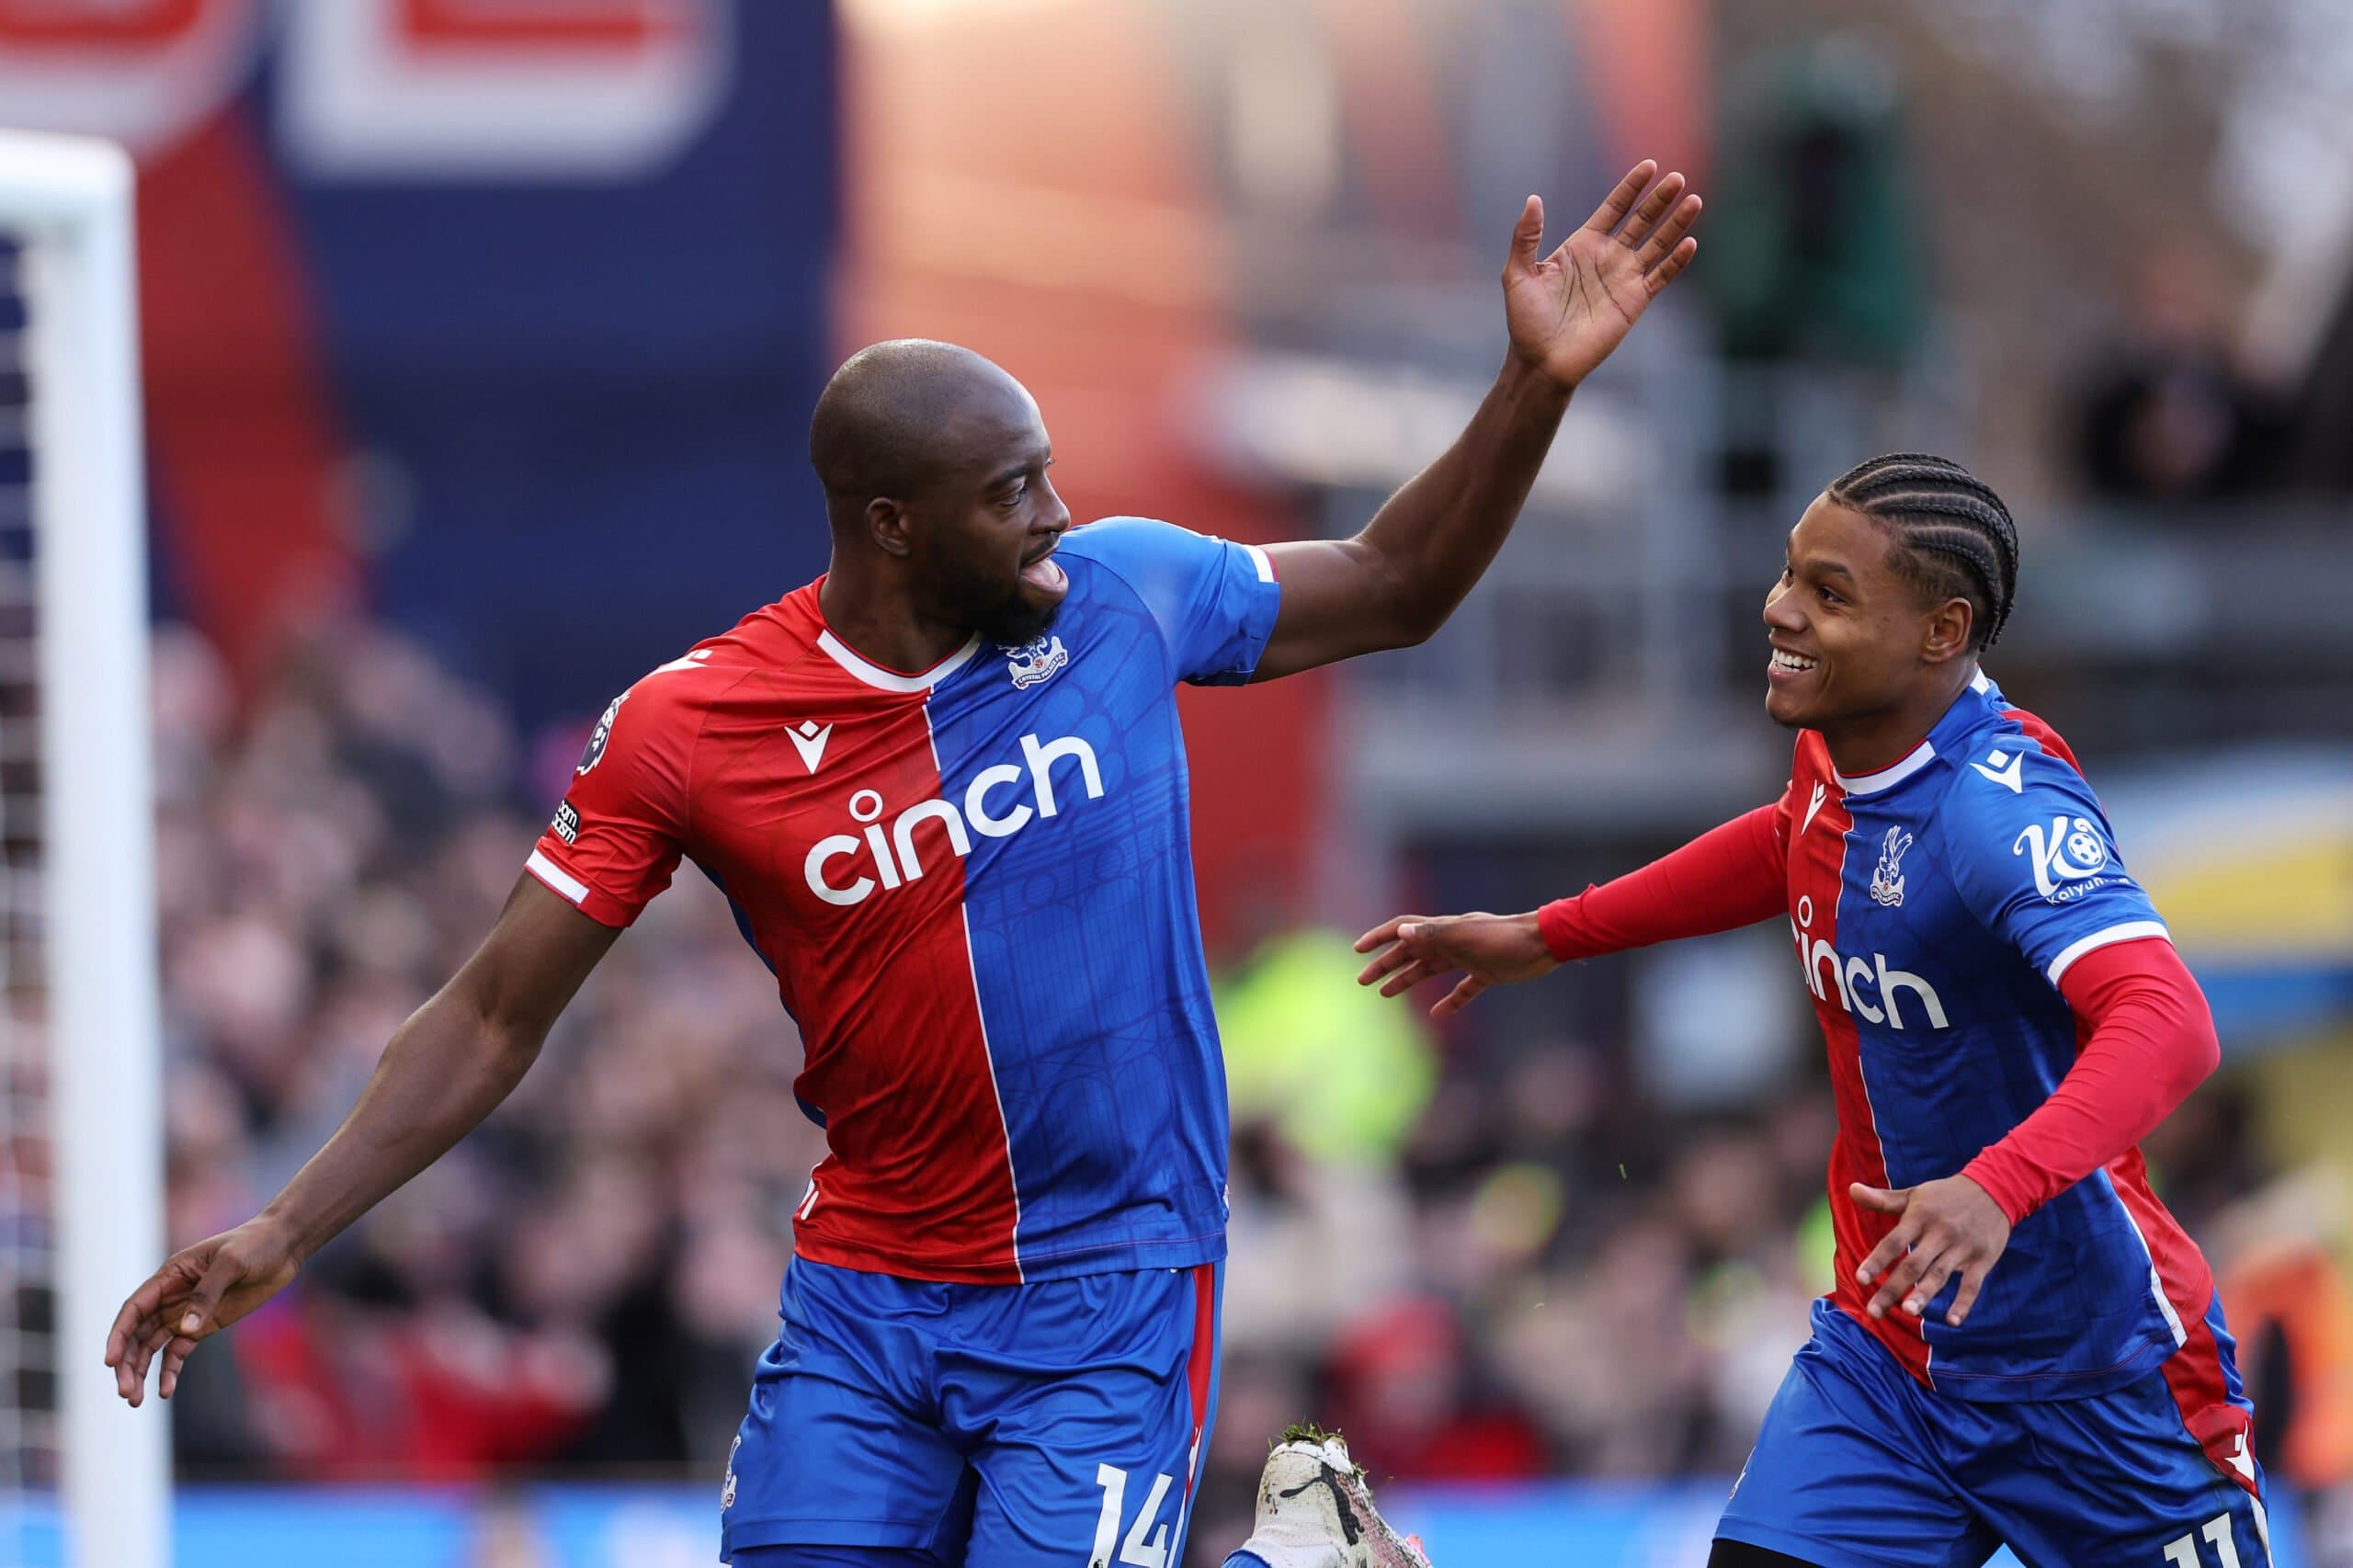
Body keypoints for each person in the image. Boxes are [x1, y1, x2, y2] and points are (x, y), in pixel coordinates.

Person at [106, 162, 1703, 1568]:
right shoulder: (690, 728)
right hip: (870, 1296)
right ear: (890, 523)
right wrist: (284, 1224)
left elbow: (1396, 582)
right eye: (1012, 493)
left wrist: (1531, 383)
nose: (1056, 514)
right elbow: (488, 1012)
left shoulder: (1125, 597)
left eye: (1048, 474)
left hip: (1112, 1283)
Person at [1357, 454, 2271, 1568]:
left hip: (2098, 1378)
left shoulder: (1999, 812)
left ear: (1940, 631)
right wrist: (1550, 932)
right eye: (1789, 572)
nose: (1778, 608)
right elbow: (1787, 839)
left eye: (1827, 593)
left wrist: (1997, 1183)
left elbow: (2169, 1018)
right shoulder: (1835, 754)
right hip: (1891, 1368)